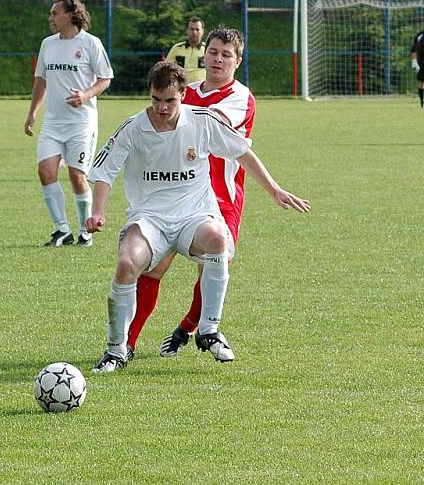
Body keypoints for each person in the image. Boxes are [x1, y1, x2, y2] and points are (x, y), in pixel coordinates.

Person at [87, 61, 308, 373]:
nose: (162, 108)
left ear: (183, 95)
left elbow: (242, 152)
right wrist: (98, 211)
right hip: (150, 219)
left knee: (219, 238)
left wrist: (274, 190)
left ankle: (208, 331)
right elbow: (104, 172)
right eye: (156, 100)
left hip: (194, 215)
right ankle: (115, 350)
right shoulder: (134, 127)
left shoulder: (202, 121)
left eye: (170, 100)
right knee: (127, 264)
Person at [127, 27, 256, 361]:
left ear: (237, 62)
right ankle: (127, 342)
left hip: (222, 196)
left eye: (226, 54)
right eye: (213, 52)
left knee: (216, 261)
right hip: (175, 191)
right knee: (155, 266)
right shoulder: (185, 93)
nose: (217, 59)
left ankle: (191, 330)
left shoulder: (240, 98)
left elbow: (210, 123)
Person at [25, 0, 114, 247]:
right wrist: (32, 113)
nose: (51, 18)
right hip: (53, 123)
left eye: (55, 13)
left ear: (70, 15)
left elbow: (105, 78)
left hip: (81, 123)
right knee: (45, 171)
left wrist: (85, 95)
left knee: (77, 176)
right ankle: (61, 230)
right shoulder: (48, 45)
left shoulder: (90, 43)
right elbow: (40, 81)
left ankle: (85, 231)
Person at [165, 17, 206, 83]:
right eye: (192, 29)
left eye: (197, 29)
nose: (194, 32)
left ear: (202, 31)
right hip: (181, 89)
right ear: (187, 30)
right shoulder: (177, 48)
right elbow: (166, 69)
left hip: (201, 90)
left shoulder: (208, 49)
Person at [410, 29, 424, 108]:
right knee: (421, 82)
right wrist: (414, 61)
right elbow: (413, 50)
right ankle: (422, 101)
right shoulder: (420, 35)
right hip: (422, 62)